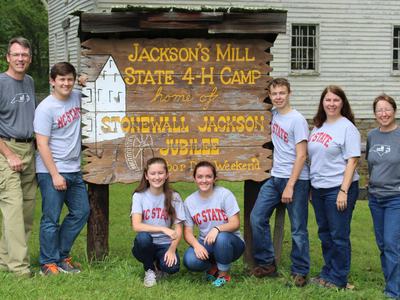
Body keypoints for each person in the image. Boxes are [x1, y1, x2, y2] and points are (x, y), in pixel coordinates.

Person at [250, 78, 310, 287]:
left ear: (289, 93)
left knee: (298, 228)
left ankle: (300, 270)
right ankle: (267, 263)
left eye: (282, 93)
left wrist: (291, 185)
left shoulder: (297, 120)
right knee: (257, 217)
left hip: (297, 180)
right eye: (274, 94)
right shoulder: (273, 115)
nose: (278, 97)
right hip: (275, 178)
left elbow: (302, 155)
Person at [34, 62, 90, 276]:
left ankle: (61, 256)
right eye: (61, 79)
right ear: (52, 81)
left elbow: (94, 85)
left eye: (70, 79)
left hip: (74, 168)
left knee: (81, 212)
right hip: (51, 171)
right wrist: (55, 174)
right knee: (51, 218)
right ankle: (47, 264)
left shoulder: (77, 97)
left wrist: (86, 79)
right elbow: (42, 144)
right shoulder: (46, 108)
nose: (66, 83)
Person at [308, 85, 360, 289]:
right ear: (322, 102)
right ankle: (328, 273)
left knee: (338, 235)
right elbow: (315, 158)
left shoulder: (347, 127)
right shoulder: (318, 126)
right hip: (319, 188)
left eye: (336, 100)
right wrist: (313, 186)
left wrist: (343, 190)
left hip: (338, 188)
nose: (331, 104)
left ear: (342, 103)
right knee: (325, 233)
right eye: (328, 100)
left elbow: (353, 161)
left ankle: (338, 279)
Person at [0, 37, 36, 277]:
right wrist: (9, 154)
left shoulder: (30, 82)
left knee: (26, 212)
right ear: (8, 58)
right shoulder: (1, 83)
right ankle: (20, 269)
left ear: (29, 59)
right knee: (12, 209)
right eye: (16, 54)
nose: (20, 59)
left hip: (29, 151)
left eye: (24, 54)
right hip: (6, 151)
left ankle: (4, 260)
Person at [183, 161, 245, 287]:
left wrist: (217, 228)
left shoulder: (224, 195)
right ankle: (213, 268)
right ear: (194, 178)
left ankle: (223, 275)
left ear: (214, 178)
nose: (204, 180)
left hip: (231, 243)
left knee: (221, 237)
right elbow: (187, 232)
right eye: (200, 176)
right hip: (206, 243)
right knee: (189, 260)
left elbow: (235, 223)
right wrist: (196, 246)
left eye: (208, 176)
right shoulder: (189, 201)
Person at [131, 157, 185, 288]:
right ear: (146, 176)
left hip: (165, 244)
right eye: (152, 173)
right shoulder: (139, 196)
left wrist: (172, 249)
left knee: (172, 268)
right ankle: (149, 270)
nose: (157, 177)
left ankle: (159, 266)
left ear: (166, 175)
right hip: (145, 243)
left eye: (160, 173)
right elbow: (136, 225)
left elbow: (178, 228)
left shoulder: (174, 196)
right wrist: (163, 229)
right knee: (143, 238)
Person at [366, 94, 400, 299]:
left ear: (394, 111)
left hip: (396, 197)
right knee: (383, 244)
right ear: (375, 114)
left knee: (391, 242)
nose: (383, 113)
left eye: (387, 109)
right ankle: (392, 281)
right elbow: (371, 164)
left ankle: (393, 292)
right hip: (375, 198)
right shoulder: (372, 135)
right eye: (379, 110)